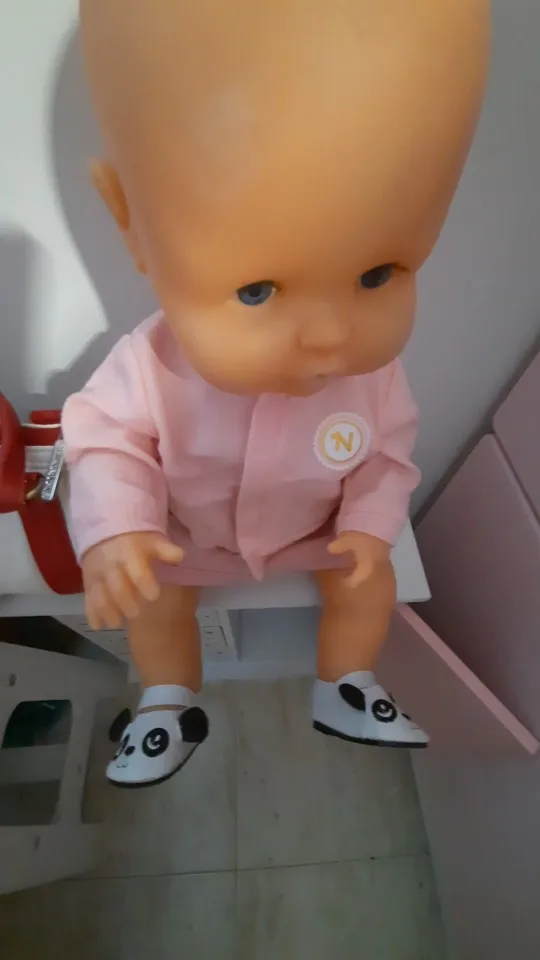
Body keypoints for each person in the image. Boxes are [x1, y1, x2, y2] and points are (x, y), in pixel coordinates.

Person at [63, 0, 489, 787]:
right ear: (133, 228)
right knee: (154, 603)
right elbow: (102, 440)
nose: (328, 335)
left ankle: (346, 681)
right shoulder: (149, 365)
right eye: (257, 291)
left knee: (371, 581)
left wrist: (366, 528)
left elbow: (386, 458)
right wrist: (117, 530)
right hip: (185, 538)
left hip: (314, 533)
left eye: (377, 275)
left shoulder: (373, 378)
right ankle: (167, 701)